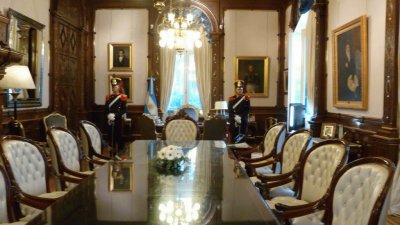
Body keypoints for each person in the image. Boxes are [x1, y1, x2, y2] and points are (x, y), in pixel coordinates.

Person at [105, 77, 128, 156]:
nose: (114, 88)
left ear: (119, 87)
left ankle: (120, 154)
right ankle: (112, 155)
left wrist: (115, 115)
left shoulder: (123, 97)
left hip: (118, 120)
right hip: (109, 120)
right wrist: (108, 115)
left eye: (115, 86)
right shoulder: (109, 97)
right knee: (111, 137)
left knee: (118, 136)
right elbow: (106, 109)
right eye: (113, 86)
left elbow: (124, 110)